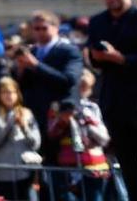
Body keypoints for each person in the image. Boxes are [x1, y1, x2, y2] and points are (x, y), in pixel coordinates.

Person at [86, 0, 137, 191]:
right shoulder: (98, 21)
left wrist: (121, 58)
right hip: (114, 103)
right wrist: (95, 57)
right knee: (128, 165)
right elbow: (94, 60)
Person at [12, 9, 81, 159]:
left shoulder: (69, 51)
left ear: (56, 28)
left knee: (62, 165)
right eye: (36, 29)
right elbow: (19, 87)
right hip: (34, 118)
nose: (40, 32)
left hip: (59, 119)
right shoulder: (31, 51)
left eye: (44, 28)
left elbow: (68, 80)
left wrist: (36, 65)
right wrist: (21, 70)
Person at [46, 69, 111, 201]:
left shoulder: (92, 107)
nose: (81, 91)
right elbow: (51, 133)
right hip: (68, 166)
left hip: (95, 166)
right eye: (79, 86)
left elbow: (104, 138)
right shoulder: (58, 107)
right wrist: (63, 120)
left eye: (85, 87)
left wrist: (87, 120)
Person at [0, 77, 41, 201]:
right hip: (3, 174)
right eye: (4, 92)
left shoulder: (27, 113)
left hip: (26, 172)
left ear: (17, 94)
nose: (9, 96)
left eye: (12, 92)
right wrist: (9, 125)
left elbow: (36, 143)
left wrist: (24, 127)